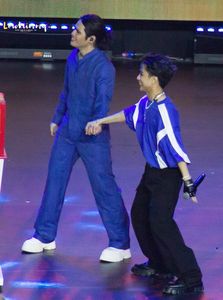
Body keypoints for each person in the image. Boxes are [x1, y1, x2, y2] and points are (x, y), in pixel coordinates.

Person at [85, 53, 203, 295]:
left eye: (142, 74)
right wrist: (100, 121)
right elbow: (127, 114)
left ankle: (191, 277)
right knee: (140, 215)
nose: (138, 77)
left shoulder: (165, 111)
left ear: (155, 79)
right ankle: (160, 265)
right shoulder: (145, 104)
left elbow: (175, 147)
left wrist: (188, 182)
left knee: (161, 224)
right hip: (151, 173)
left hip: (168, 176)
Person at [21, 14, 131, 263]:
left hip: (93, 136)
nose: (72, 33)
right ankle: (44, 235)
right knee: (54, 182)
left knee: (104, 187)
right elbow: (67, 91)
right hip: (68, 132)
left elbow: (103, 100)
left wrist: (96, 122)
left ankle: (120, 243)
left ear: (90, 39)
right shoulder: (73, 58)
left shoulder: (104, 67)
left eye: (77, 31)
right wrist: (56, 118)